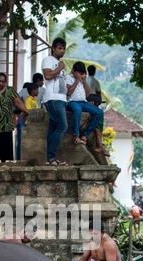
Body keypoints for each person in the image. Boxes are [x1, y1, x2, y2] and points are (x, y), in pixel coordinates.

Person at [41, 37, 68, 166]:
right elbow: (47, 76)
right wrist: (59, 68)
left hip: (61, 99)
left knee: (53, 129)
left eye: (63, 48)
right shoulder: (48, 60)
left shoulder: (61, 64)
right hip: (53, 98)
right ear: (53, 48)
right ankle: (51, 157)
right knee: (63, 126)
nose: (62, 51)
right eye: (59, 48)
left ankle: (50, 159)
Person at [0, 73, 28, 163]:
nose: (1, 83)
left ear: (6, 82)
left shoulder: (10, 90)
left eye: (3, 81)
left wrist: (26, 111)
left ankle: (5, 164)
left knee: (5, 144)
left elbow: (18, 102)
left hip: (7, 122)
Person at [66, 61, 104, 147]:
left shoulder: (83, 80)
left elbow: (87, 94)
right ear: (73, 71)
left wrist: (84, 81)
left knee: (99, 112)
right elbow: (69, 92)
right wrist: (77, 80)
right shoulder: (68, 77)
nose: (80, 74)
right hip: (72, 101)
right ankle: (76, 136)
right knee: (77, 110)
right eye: (79, 72)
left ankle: (85, 135)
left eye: (82, 73)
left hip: (83, 101)